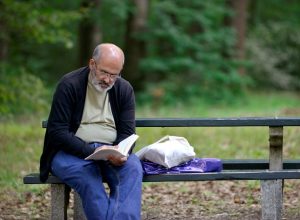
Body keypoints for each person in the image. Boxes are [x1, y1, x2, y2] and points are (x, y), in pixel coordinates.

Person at [39, 43, 143, 220]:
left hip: (110, 151)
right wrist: (93, 151)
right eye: (104, 72)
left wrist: (121, 151)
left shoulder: (124, 89)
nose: (108, 80)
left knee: (133, 168)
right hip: (69, 152)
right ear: (92, 64)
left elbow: (127, 133)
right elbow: (57, 132)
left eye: (114, 75)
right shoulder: (69, 85)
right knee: (88, 178)